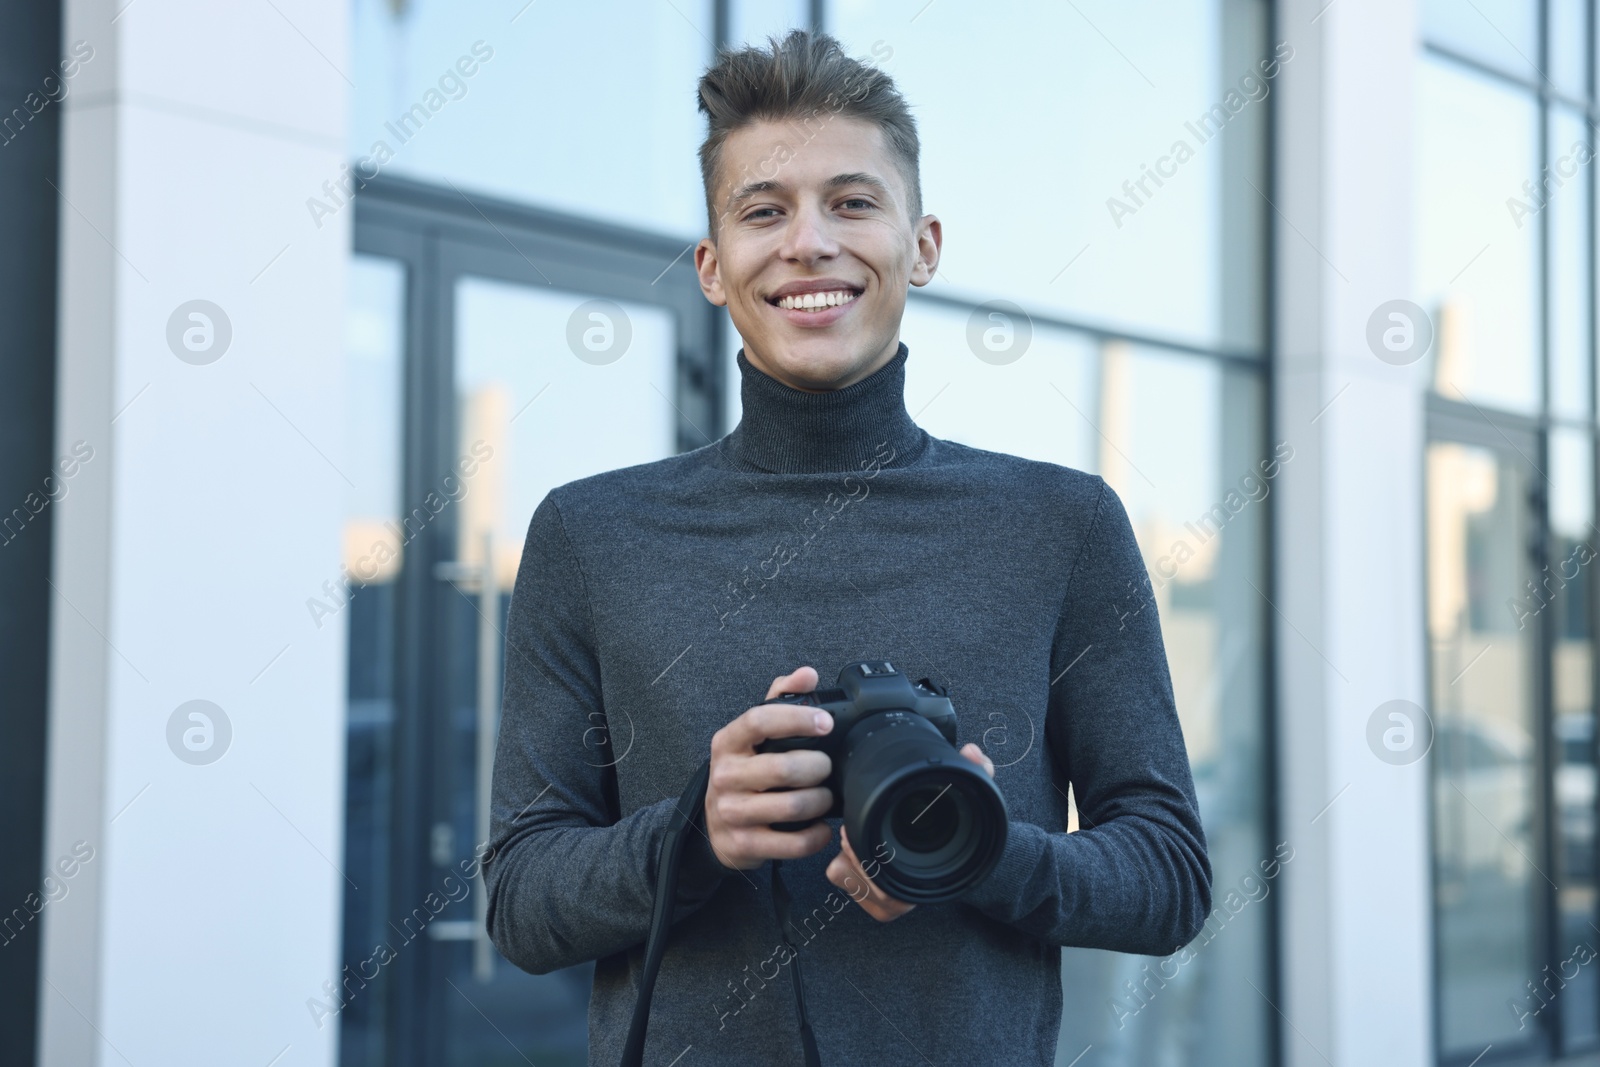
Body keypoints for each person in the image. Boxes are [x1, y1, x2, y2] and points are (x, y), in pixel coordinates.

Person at [483, 28, 1211, 1066]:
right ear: (711, 265)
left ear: (923, 244)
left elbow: (1170, 876)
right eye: (763, 211)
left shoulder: (1061, 525)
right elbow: (519, 899)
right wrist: (690, 838)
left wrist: (983, 854)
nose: (809, 243)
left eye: (853, 202)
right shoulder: (589, 534)